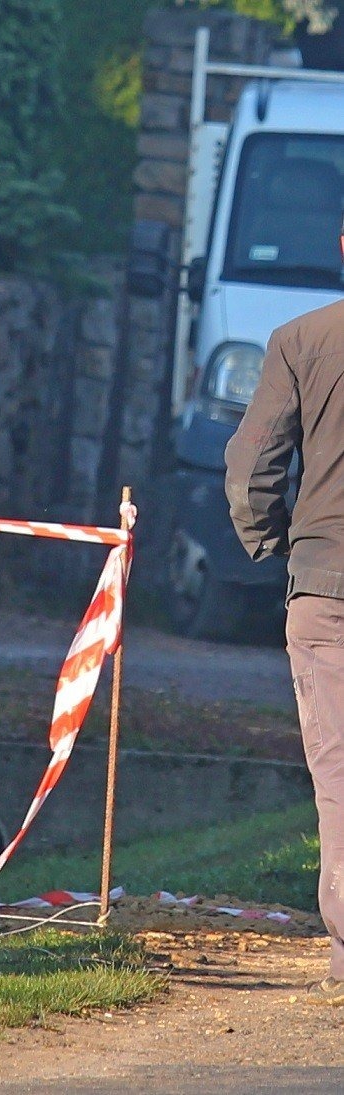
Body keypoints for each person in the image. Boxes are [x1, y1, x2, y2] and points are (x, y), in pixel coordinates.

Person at [225, 217, 344, 1004]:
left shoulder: (301, 339)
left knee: (339, 773)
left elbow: (251, 465)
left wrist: (272, 547)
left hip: (327, 591)